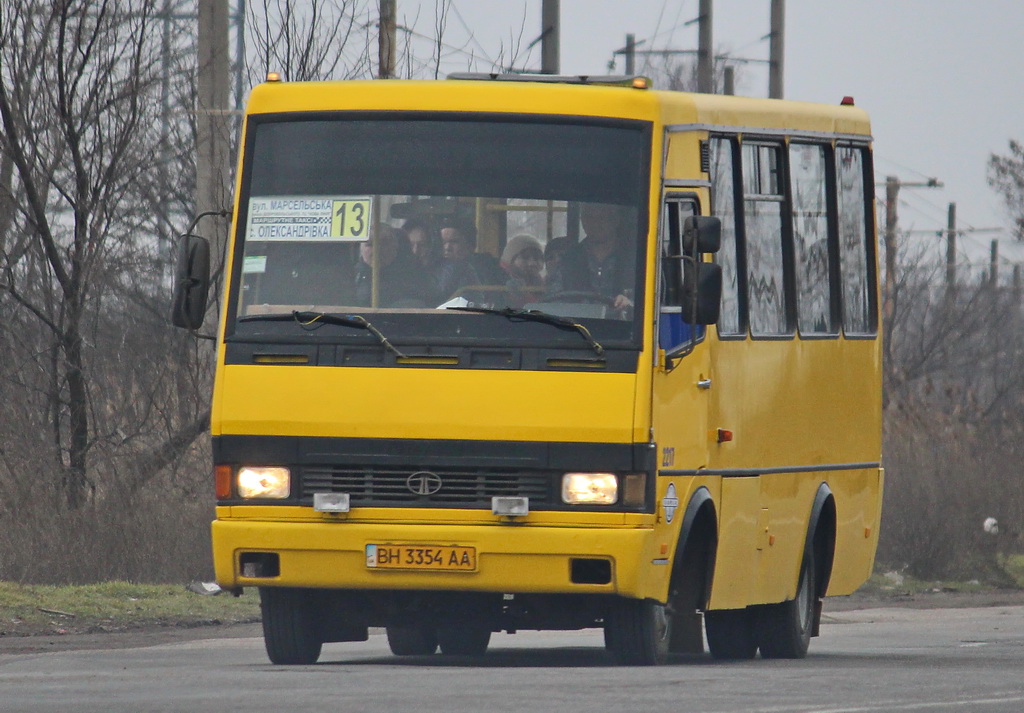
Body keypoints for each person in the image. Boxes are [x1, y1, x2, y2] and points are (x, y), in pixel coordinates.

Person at [548, 203, 635, 310]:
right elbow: (553, 300)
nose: (595, 223)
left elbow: (649, 299)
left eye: (602, 217)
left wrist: (630, 303)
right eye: (589, 217)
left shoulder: (635, 259)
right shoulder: (568, 260)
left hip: (623, 325)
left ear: (616, 220)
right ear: (582, 221)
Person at [354, 225, 433, 307]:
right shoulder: (353, 276)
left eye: (383, 244)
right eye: (369, 245)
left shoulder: (411, 278)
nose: (376, 249)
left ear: (395, 247)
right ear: (361, 249)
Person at [437, 218, 504, 301]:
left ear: (470, 245)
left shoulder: (490, 268)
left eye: (454, 242)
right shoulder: (431, 267)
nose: (447, 248)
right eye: (443, 242)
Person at [500, 234, 545, 307]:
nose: (532, 263)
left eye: (537, 258)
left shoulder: (543, 285)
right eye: (525, 258)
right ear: (510, 260)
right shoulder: (501, 285)